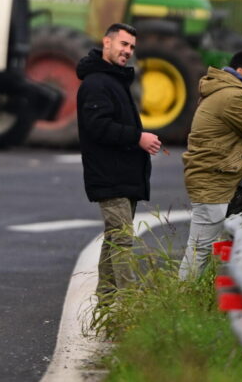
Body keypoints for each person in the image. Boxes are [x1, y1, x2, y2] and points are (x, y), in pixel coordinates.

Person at [178, 50, 242, 280]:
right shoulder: (233, 97)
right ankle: (181, 302)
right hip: (212, 178)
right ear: (241, 72)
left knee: (201, 247)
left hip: (218, 174)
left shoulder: (231, 89)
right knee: (199, 249)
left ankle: (237, 192)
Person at [77, 23, 161, 296]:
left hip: (123, 176)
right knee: (122, 239)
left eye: (132, 47)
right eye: (123, 44)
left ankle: (106, 303)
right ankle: (128, 302)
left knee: (115, 239)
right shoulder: (96, 83)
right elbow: (97, 126)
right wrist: (138, 137)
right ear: (107, 42)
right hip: (108, 175)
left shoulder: (114, 80)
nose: (128, 51)